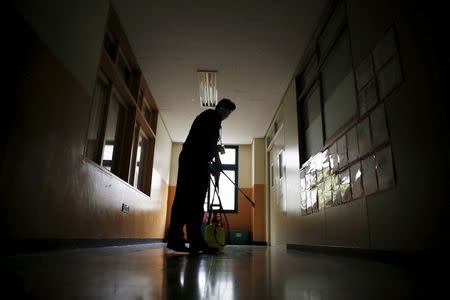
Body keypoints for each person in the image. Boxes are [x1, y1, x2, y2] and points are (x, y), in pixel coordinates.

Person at [166, 98, 236, 253]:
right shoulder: (210, 117)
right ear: (219, 108)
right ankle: (190, 241)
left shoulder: (210, 119)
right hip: (193, 162)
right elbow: (207, 143)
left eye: (229, 113)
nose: (227, 115)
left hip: (194, 161)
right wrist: (217, 161)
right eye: (226, 111)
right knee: (192, 201)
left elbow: (205, 144)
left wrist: (213, 160)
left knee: (190, 200)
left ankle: (185, 240)